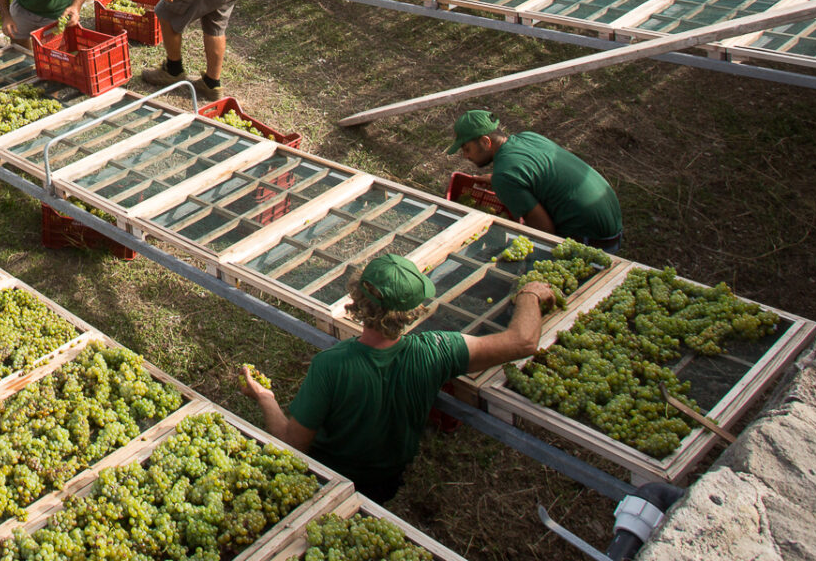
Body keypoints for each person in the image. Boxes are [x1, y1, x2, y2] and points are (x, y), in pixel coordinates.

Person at [239, 253, 557, 503]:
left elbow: (294, 443)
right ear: (412, 310)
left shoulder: (331, 365)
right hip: (386, 483)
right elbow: (523, 342)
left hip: (325, 478)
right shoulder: (436, 352)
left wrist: (266, 398)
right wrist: (529, 294)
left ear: (356, 297)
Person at [448, 110, 624, 251]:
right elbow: (533, 172)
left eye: (467, 148)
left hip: (594, 241)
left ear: (486, 142)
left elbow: (544, 231)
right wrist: (497, 180)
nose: (465, 156)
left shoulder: (505, 176)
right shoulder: (529, 138)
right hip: (613, 222)